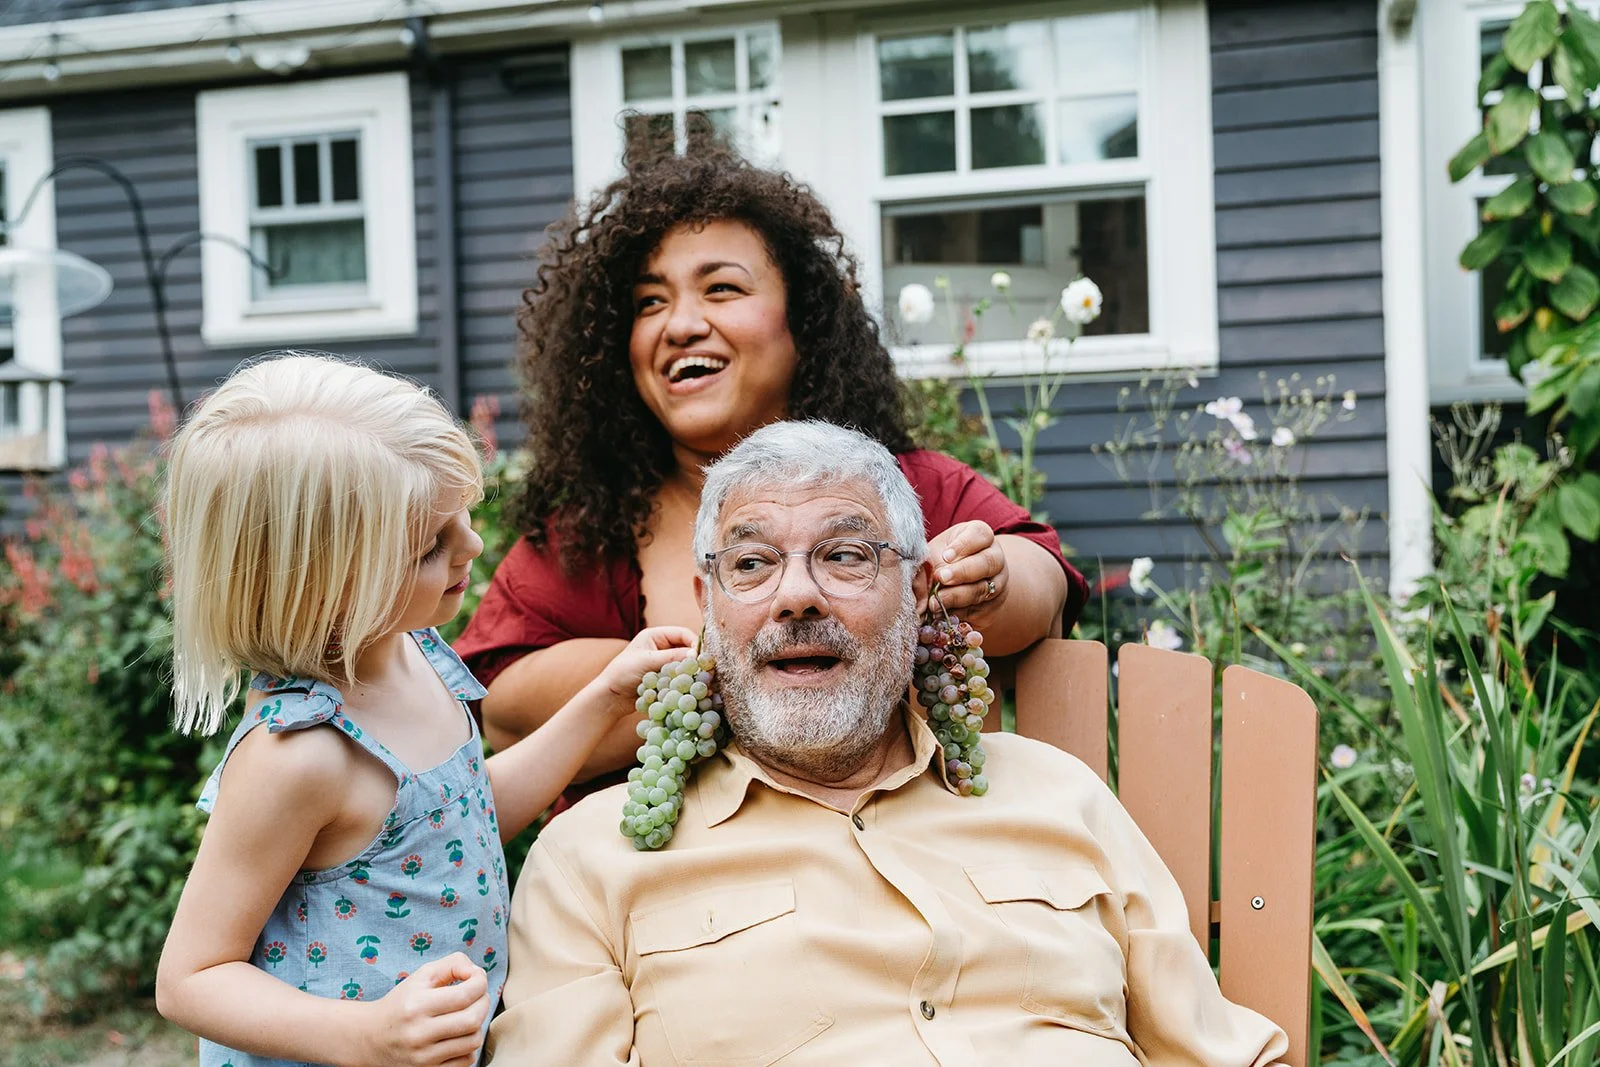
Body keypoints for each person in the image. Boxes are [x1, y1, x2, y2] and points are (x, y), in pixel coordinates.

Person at [486, 421, 1289, 1067]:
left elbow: (1222, 1050)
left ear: (917, 591)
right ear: (707, 602)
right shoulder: (592, 858)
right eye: (754, 562)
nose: (797, 595)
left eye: (844, 555)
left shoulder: (1058, 795)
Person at [453, 146, 1090, 787]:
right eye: (649, 303)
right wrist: (729, 655)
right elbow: (498, 705)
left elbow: (1046, 585)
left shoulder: (909, 488)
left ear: (804, 320)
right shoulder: (590, 530)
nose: (679, 324)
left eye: (721, 288)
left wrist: (992, 583)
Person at [153, 353, 698, 1067]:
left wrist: (601, 700)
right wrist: (366, 1034)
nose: (472, 546)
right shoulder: (299, 755)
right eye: (430, 547)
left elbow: (464, 816)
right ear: (323, 586)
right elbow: (189, 979)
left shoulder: (417, 651)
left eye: (463, 518)